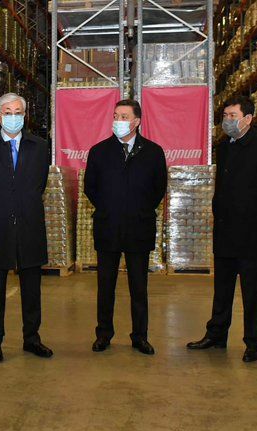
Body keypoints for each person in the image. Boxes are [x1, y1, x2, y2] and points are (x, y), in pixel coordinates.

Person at [187, 96, 257, 363]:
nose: (227, 121)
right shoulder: (224, 147)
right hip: (225, 231)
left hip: (251, 235)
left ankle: (252, 341)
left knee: (251, 292)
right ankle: (216, 334)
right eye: (225, 116)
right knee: (222, 289)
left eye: (233, 116)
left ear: (248, 119)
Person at [0, 92, 53, 363]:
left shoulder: (39, 146)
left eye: (18, 112)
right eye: (7, 112)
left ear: (24, 116)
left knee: (32, 288)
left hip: (30, 225)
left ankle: (32, 338)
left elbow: (39, 184)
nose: (13, 117)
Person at [84, 99, 167, 355]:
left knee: (138, 287)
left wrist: (140, 210)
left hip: (139, 227)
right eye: (116, 116)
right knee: (105, 286)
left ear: (136, 121)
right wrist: (109, 208)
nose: (118, 121)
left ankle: (140, 336)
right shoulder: (99, 152)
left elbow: (159, 188)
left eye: (124, 116)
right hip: (108, 226)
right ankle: (103, 334)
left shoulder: (153, 152)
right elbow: (90, 188)